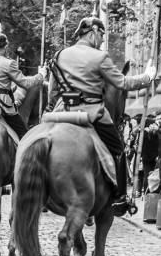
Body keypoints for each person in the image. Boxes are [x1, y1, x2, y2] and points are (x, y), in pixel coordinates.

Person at [49, 16, 155, 215]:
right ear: (92, 33)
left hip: (61, 111)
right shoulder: (99, 57)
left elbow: (53, 91)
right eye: (101, 35)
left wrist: (49, 110)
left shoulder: (60, 55)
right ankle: (120, 198)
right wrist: (147, 77)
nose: (102, 40)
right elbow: (122, 83)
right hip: (91, 112)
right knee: (118, 149)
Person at [0, 24, 46, 138]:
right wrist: (41, 75)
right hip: (2, 107)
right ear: (6, 47)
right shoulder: (8, 63)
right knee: (24, 134)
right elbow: (26, 83)